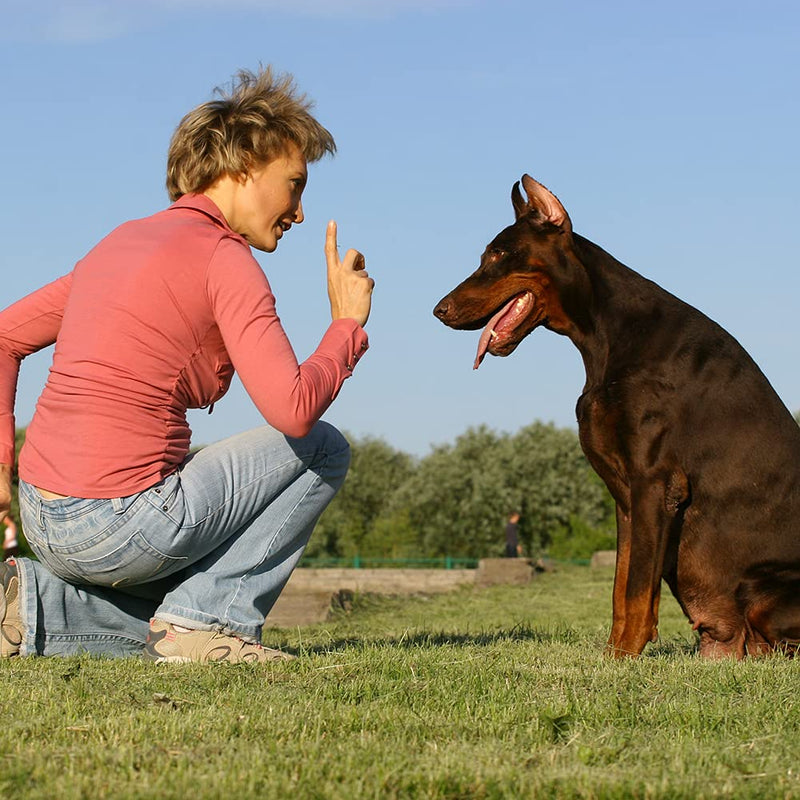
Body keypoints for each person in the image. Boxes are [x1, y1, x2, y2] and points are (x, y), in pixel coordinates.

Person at [0, 67, 374, 663]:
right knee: (324, 449)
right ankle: (207, 624)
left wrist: (3, 463)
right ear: (246, 167)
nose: (299, 212)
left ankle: (38, 604)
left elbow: (5, 337)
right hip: (121, 524)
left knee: (178, 580)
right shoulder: (225, 259)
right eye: (295, 184)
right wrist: (346, 326)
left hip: (44, 516)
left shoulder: (117, 242)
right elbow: (293, 410)